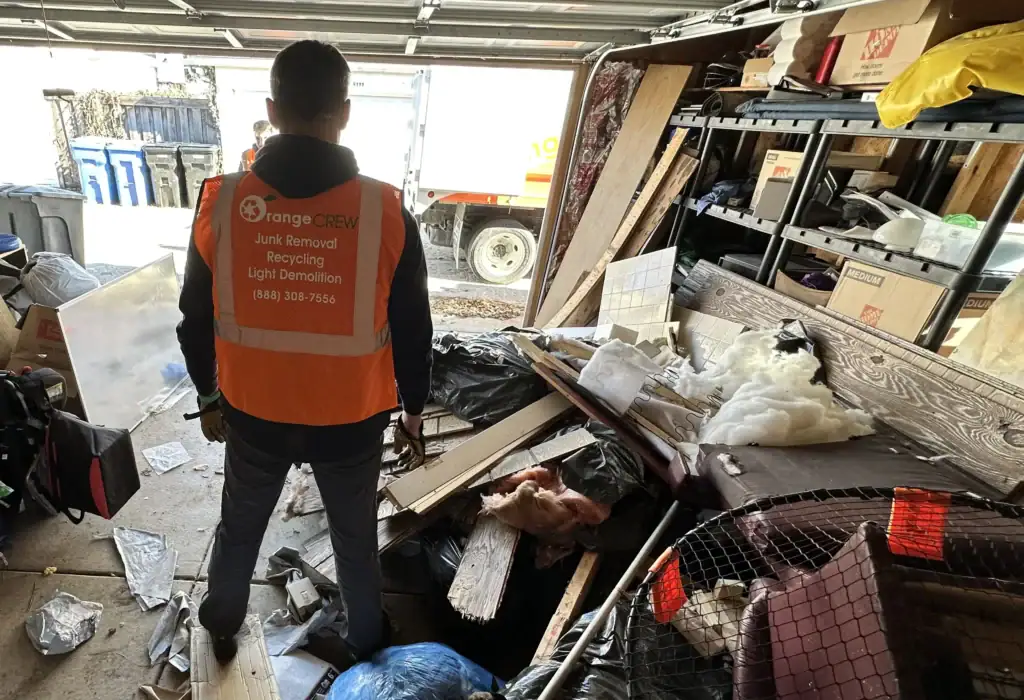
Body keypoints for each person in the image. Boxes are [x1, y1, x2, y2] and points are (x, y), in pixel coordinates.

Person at [177, 40, 433, 664]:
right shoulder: (385, 208)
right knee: (353, 537)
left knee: (240, 526)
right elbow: (413, 327)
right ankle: (366, 639)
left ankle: (221, 623)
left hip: (253, 412)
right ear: (344, 112)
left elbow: (193, 318)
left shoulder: (222, 201)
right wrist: (413, 408)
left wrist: (208, 395)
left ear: (271, 109)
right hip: (351, 419)